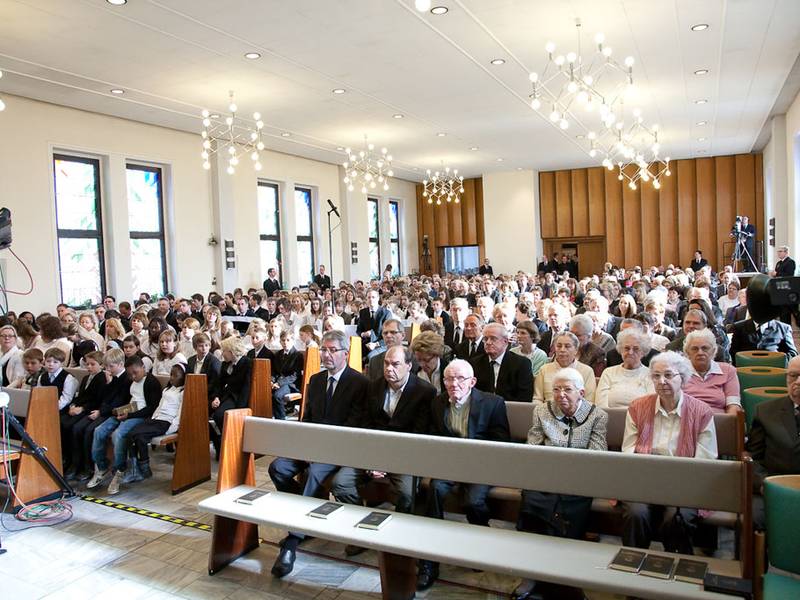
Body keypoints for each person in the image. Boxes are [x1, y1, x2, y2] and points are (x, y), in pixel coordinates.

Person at [269, 330, 368, 578]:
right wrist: (302, 445)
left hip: (338, 449)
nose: (326, 354)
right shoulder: (315, 380)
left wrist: (322, 449)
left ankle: (293, 541)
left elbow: (354, 427)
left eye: (332, 350)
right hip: (312, 445)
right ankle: (310, 516)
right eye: (323, 349)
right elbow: (307, 419)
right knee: (277, 468)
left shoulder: (359, 383)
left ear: (345, 353)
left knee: (314, 472)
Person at [512, 367, 608, 600]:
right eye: (556, 390)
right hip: (545, 475)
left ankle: (563, 574)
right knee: (533, 500)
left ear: (582, 392)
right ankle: (533, 572)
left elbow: (598, 453)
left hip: (580, 480)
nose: (560, 395)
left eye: (567, 389)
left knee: (566, 507)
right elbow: (533, 447)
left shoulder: (597, 415)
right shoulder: (542, 411)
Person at [416, 359, 510, 592]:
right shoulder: (438, 403)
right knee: (435, 491)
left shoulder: (493, 403)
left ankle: (480, 537)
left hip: (481, 464)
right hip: (449, 464)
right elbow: (432, 435)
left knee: (473, 501)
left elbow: (502, 441)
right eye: (449, 378)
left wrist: (473, 453)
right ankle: (429, 562)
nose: (454, 383)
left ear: (472, 381)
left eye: (460, 378)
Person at [332, 345, 435, 555]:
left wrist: (388, 465)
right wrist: (373, 461)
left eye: (395, 364)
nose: (389, 369)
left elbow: (418, 436)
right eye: (386, 364)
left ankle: (396, 538)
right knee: (340, 484)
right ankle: (362, 533)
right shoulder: (374, 387)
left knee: (407, 494)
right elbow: (365, 426)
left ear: (408, 365)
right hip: (372, 454)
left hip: (404, 457)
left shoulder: (424, 392)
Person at [621, 351, 717, 553]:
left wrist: (679, 481)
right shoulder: (637, 407)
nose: (661, 381)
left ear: (682, 377)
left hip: (684, 482)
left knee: (675, 517)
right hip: (644, 479)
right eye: (656, 376)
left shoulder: (702, 411)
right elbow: (628, 449)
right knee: (636, 513)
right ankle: (631, 562)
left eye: (668, 375)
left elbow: (706, 459)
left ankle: (678, 566)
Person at [746, 355, 800, 529]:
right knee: (754, 518)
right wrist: (765, 484)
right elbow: (753, 458)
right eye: (793, 376)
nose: (797, 382)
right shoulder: (766, 411)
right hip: (774, 488)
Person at [122, 363, 187, 486]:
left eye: (175, 375)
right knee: (133, 435)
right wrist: (152, 419)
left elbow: (180, 413)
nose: (171, 378)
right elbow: (159, 406)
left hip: (166, 422)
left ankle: (142, 468)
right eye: (171, 375)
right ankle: (139, 469)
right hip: (156, 419)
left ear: (184, 377)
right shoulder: (167, 389)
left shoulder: (183, 392)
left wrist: (170, 429)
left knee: (135, 434)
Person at [61, 350, 107, 479]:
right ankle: (67, 459)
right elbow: (81, 396)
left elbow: (97, 401)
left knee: (77, 428)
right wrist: (73, 405)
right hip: (80, 408)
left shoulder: (102, 379)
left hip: (90, 410)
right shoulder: (87, 378)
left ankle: (83, 465)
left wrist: (82, 409)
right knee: (63, 423)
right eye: (87, 364)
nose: (89, 367)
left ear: (101, 365)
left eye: (93, 364)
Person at [209, 337, 252, 456]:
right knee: (201, 411)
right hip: (225, 396)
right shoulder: (225, 364)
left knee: (220, 415)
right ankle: (218, 441)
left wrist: (240, 409)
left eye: (224, 351)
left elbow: (246, 387)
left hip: (236, 398)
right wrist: (216, 397)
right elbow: (219, 384)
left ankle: (227, 443)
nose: (222, 354)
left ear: (232, 351)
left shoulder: (247, 363)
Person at [682, 329, 741, 414]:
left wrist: (727, 423)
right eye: (694, 349)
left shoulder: (728, 371)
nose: (700, 352)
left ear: (713, 351)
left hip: (719, 422)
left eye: (705, 348)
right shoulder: (679, 372)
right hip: (687, 421)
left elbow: (733, 406)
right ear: (687, 352)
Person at [470, 323, 533, 403]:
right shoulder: (475, 363)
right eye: (485, 339)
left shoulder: (521, 364)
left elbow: (525, 397)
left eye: (493, 338)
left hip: (511, 409)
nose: (488, 342)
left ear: (505, 342)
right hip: (483, 410)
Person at [595, 329, 654, 408]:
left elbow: (651, 405)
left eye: (636, 349)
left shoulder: (650, 375)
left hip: (639, 419)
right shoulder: (608, 372)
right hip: (611, 418)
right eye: (627, 348)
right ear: (621, 350)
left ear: (643, 352)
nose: (630, 352)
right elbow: (601, 404)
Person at [534, 332, 596, 404]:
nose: (562, 350)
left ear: (576, 350)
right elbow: (537, 399)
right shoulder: (544, 369)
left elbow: (589, 401)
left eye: (567, 346)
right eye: (559, 346)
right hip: (547, 412)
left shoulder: (587, 371)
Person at [729, 316, 797, 365]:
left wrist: (777, 361)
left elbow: (792, 353)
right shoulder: (739, 327)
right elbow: (733, 352)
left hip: (775, 369)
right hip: (746, 369)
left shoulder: (783, 328)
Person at [270, 330, 303, 419]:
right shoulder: (278, 354)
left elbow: (294, 375)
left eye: (288, 340)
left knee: (277, 396)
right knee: (264, 391)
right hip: (278, 382)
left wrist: (279, 383)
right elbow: (274, 371)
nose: (285, 342)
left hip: (291, 384)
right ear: (280, 341)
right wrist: (272, 381)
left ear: (292, 341)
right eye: (283, 340)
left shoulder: (297, 355)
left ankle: (281, 419)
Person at [186, 333, 222, 404]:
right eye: (200, 346)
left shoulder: (214, 362)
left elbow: (215, 384)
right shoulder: (191, 360)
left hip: (208, 395)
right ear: (195, 347)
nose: (204, 348)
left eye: (206, 345)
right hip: (192, 392)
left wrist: (198, 392)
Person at [411, 330, 449, 396]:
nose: (421, 364)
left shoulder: (448, 371)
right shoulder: (413, 371)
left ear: (437, 355)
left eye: (426, 360)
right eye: (419, 360)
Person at [770, 245, 799, 326]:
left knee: (792, 313)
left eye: (780, 251)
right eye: (778, 251)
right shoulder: (779, 263)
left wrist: (777, 273)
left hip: (788, 291)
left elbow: (789, 275)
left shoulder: (790, 262)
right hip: (780, 291)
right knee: (783, 313)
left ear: (786, 252)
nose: (778, 253)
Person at [357, 289, 390, 355]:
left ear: (378, 298)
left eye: (373, 297)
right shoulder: (363, 312)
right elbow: (359, 330)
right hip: (365, 344)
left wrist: (376, 344)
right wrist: (363, 334)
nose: (371, 299)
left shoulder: (385, 313)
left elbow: (388, 335)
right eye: (369, 297)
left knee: (371, 356)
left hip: (380, 344)